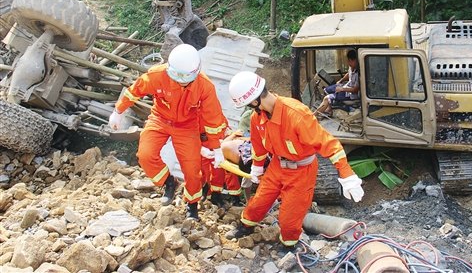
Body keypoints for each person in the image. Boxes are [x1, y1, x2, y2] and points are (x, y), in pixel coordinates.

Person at [225, 71, 364, 251]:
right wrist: (257, 169)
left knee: (289, 218)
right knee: (258, 202)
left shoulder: (296, 115)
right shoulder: (257, 118)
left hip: (301, 172)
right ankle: (246, 226)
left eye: (248, 105)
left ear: (254, 101)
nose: (250, 109)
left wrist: (347, 175)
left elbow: (329, 144)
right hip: (276, 166)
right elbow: (258, 147)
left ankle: (288, 245)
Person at [108, 44, 227, 220]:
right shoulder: (157, 75)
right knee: (146, 155)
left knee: (192, 170)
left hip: (187, 126)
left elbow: (213, 117)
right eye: (176, 77)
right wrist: (118, 112)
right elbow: (135, 90)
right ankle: (169, 182)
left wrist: (216, 148)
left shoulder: (205, 87)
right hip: (160, 119)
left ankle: (192, 205)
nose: (180, 82)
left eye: (185, 79)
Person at [313, 49, 359, 117]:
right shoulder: (352, 67)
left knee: (327, 98)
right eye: (348, 60)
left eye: (351, 61)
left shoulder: (359, 73)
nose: (349, 63)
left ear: (356, 60)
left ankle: (313, 116)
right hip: (346, 87)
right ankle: (329, 109)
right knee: (326, 89)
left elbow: (355, 90)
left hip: (351, 95)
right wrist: (341, 80)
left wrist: (342, 89)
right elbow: (349, 74)